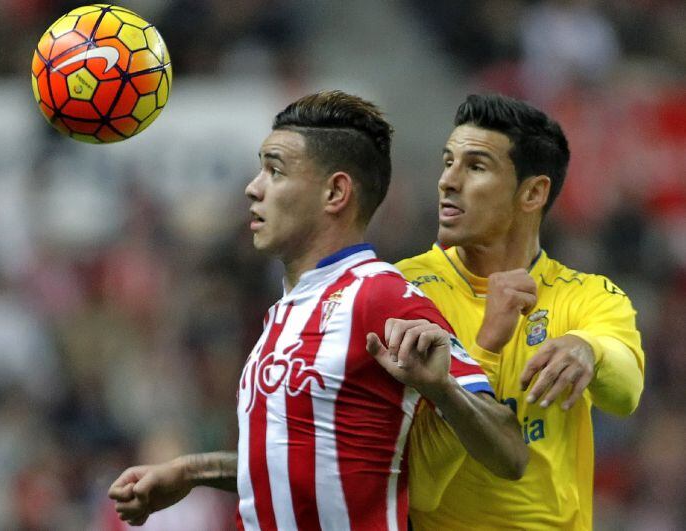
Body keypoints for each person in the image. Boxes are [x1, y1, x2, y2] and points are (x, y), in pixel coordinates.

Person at [108, 90, 528, 530]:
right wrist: (191, 472)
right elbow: (307, 460)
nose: (253, 187)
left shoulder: (378, 295)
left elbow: (511, 452)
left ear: (335, 192)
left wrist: (443, 391)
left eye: (275, 170)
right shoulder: (285, 312)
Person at [400, 94, 645, 530]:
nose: (447, 181)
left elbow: (625, 394)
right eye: (447, 161)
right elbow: (418, 485)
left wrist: (589, 349)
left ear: (533, 192)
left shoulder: (586, 296)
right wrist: (486, 348)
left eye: (475, 166)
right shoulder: (402, 290)